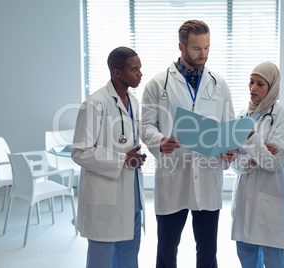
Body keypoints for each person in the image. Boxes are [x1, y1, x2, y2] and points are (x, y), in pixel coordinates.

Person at [141, 20, 235, 268]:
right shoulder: (157, 84)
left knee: (207, 251)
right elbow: (145, 125)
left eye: (207, 48)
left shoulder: (219, 83)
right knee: (166, 250)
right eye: (196, 49)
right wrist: (159, 141)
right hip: (174, 175)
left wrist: (229, 149)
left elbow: (228, 126)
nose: (203, 54)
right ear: (181, 46)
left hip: (207, 175)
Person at [72, 46, 147, 268]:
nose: (140, 74)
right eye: (134, 69)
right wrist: (123, 159)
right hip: (105, 194)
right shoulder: (94, 104)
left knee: (128, 255)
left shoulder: (133, 101)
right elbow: (79, 152)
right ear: (117, 72)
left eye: (140, 68)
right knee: (101, 258)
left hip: (131, 190)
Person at [230, 62, 284, 268]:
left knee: (273, 256)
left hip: (270, 192)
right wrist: (254, 156)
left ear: (272, 87)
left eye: (260, 84)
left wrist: (252, 139)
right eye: (251, 82)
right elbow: (233, 160)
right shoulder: (241, 116)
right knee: (245, 253)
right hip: (244, 192)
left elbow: (273, 162)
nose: (253, 88)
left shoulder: (282, 118)